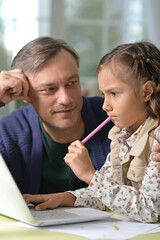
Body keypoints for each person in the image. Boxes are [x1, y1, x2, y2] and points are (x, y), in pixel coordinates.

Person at [24, 41, 160, 223]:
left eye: (114, 93)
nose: (105, 106)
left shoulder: (156, 137)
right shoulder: (120, 135)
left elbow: (149, 210)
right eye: (104, 94)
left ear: (147, 92)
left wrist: (89, 174)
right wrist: (67, 198)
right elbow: (108, 191)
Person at [0, 36, 114, 194]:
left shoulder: (114, 117)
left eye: (72, 83)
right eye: (49, 89)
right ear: (25, 94)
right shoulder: (9, 133)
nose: (65, 99)